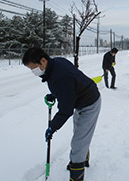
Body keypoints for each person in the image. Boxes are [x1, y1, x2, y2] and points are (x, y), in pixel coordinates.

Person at [22, 47, 101, 181]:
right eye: (30, 69)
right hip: (79, 100)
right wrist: (55, 94)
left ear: (43, 60)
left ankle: (77, 172)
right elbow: (70, 84)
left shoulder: (59, 75)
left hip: (90, 102)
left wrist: (53, 127)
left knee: (79, 141)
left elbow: (66, 109)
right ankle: (82, 159)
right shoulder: (55, 64)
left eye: (33, 67)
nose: (33, 72)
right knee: (79, 134)